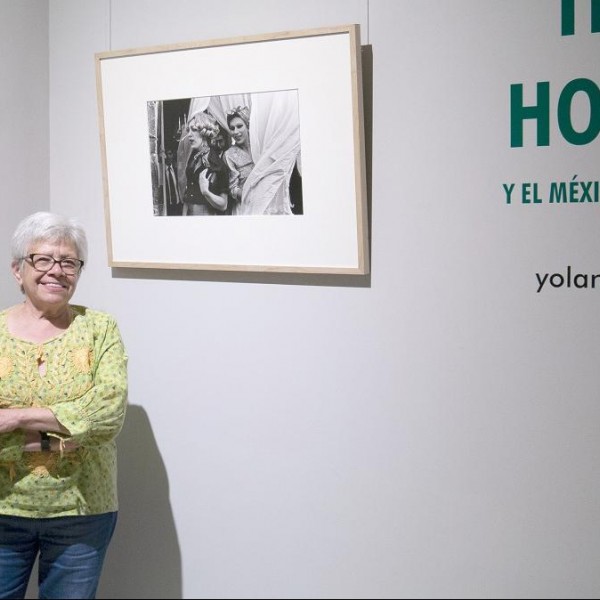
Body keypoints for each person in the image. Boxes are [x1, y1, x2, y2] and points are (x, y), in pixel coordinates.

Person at [0, 211, 128, 599]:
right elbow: (87, 420)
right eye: (43, 259)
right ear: (18, 270)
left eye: (68, 262)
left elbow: (108, 413)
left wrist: (17, 419)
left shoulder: (100, 328)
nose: (57, 270)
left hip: (82, 511)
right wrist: (66, 433)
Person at [181, 112, 229, 216]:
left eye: (194, 130)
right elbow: (187, 196)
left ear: (204, 132)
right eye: (189, 130)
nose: (189, 134)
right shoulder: (193, 158)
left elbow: (224, 205)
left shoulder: (217, 164)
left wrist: (206, 192)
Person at [223, 106, 254, 215]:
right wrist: (253, 199)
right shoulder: (229, 155)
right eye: (232, 128)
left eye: (239, 126)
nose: (235, 132)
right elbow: (233, 189)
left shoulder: (260, 148)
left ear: (248, 126)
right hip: (244, 209)